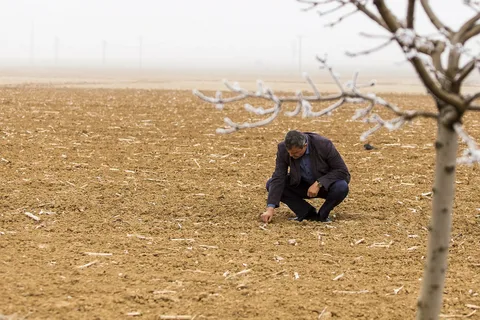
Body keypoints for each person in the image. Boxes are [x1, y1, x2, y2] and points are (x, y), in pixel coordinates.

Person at [260, 130, 350, 223]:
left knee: (341, 186)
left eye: (295, 153)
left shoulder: (323, 144)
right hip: (302, 184)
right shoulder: (283, 148)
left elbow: (341, 171)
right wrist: (270, 209)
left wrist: (319, 183)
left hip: (326, 186)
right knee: (271, 184)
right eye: (289, 152)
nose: (291, 155)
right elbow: (278, 177)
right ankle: (307, 213)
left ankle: (323, 215)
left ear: (305, 146)